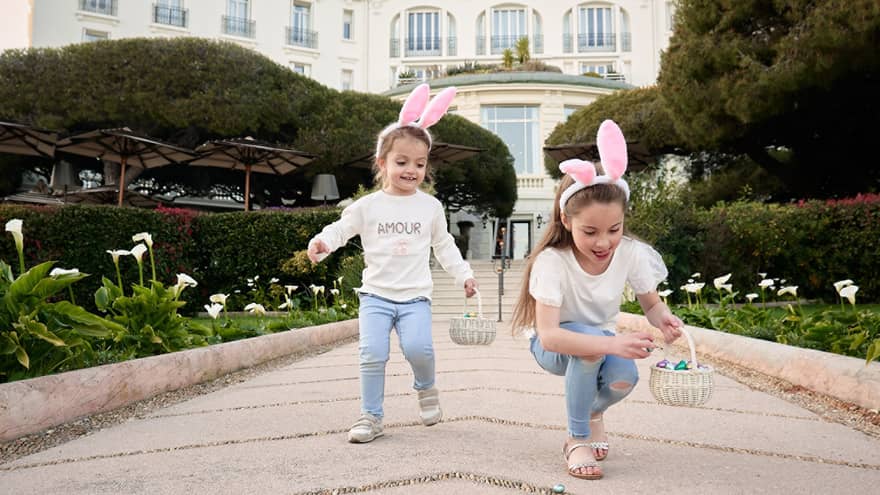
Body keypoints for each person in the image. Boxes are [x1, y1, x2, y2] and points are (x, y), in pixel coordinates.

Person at [510, 120, 683, 480]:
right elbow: (551, 336)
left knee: (624, 380)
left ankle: (591, 413)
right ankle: (577, 439)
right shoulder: (552, 262)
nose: (603, 242)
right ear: (566, 219)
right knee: (590, 350)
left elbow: (650, 303)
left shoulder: (631, 254)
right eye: (590, 232)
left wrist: (663, 316)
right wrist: (614, 343)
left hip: (603, 341)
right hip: (555, 347)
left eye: (614, 230)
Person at [308, 83, 478, 444]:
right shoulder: (368, 206)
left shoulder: (430, 207)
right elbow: (342, 229)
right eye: (402, 162)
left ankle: (426, 386)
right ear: (382, 163)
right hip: (376, 296)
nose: (411, 170)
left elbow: (443, 245)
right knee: (372, 353)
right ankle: (371, 417)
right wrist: (322, 243)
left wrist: (464, 274)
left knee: (419, 349)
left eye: (419, 164)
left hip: (415, 297)